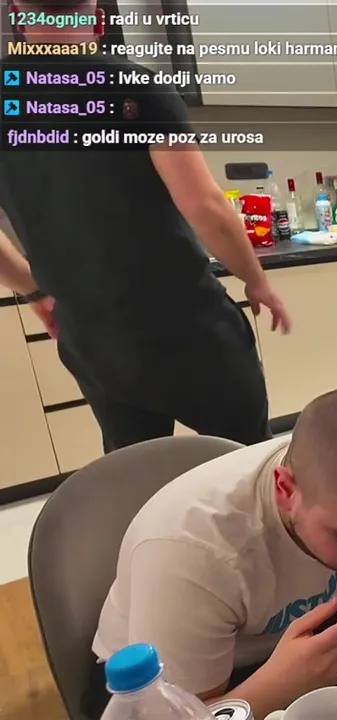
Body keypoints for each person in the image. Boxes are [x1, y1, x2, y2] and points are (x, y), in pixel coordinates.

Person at [86, 387, 337, 717]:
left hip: (299, 633)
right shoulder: (193, 551)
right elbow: (187, 714)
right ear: (285, 489)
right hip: (169, 689)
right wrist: (283, 684)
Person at [0, 0, 291, 453]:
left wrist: (35, 290)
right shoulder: (136, 89)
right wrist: (256, 281)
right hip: (186, 328)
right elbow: (204, 205)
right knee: (245, 458)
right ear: (98, 20)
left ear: (18, 17)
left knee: (135, 469)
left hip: (93, 339)